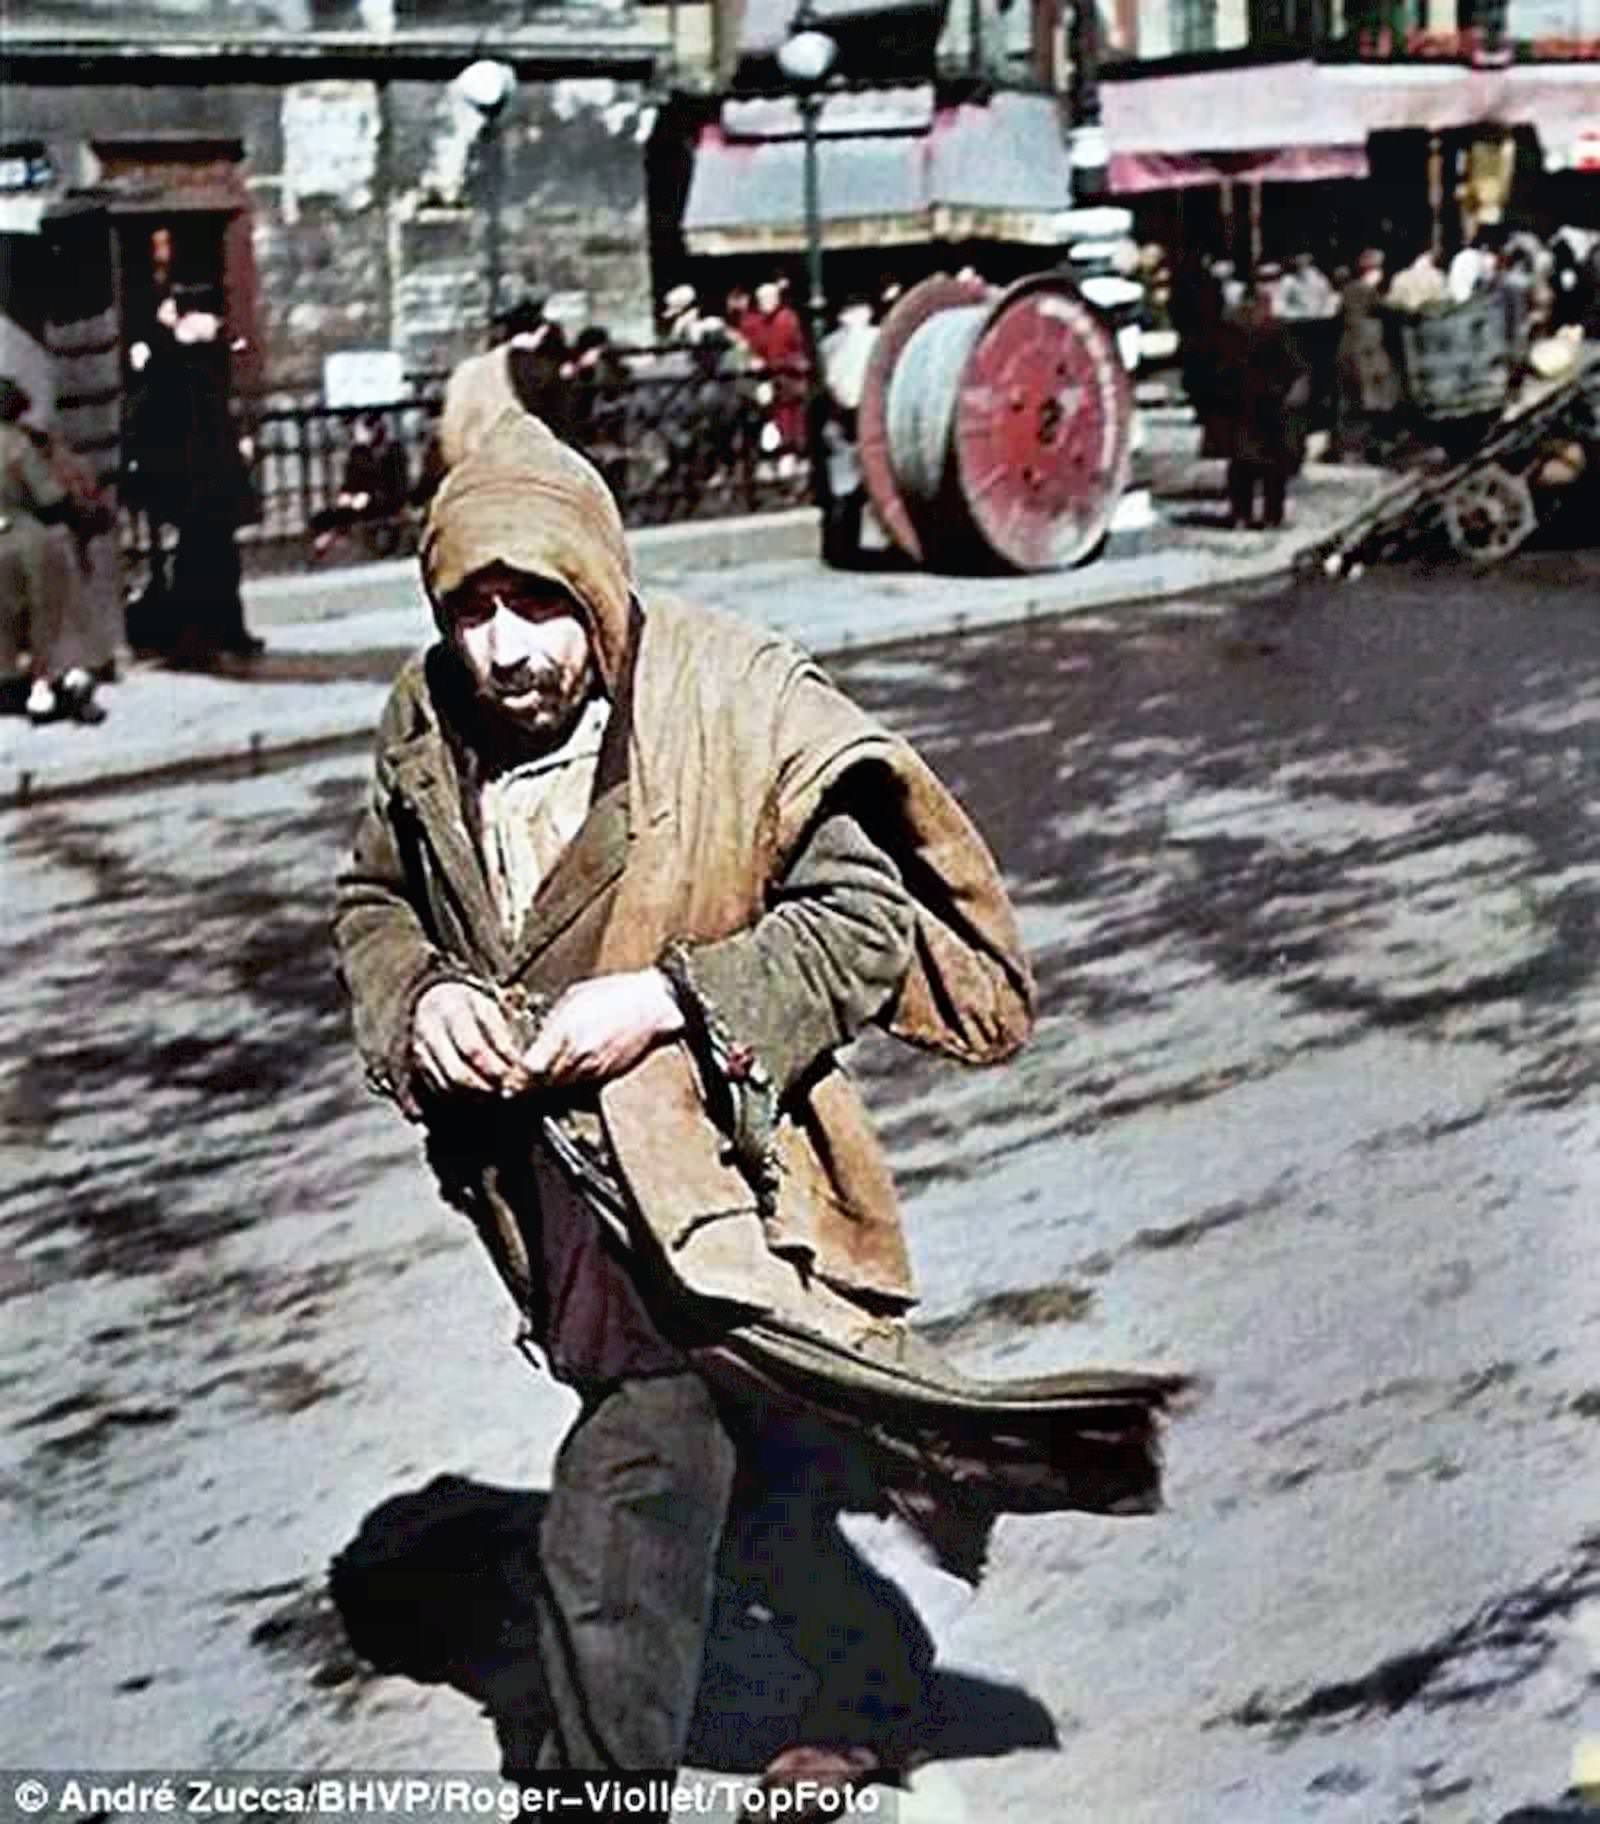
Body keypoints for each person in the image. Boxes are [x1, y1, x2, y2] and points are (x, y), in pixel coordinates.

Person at [331, 408, 1181, 1804]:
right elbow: (374, 899)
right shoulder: (429, 722)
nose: (506, 646)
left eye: (539, 603)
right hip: (558, 1200)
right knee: (772, 1451)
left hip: (725, 1187)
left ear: (598, 590)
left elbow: (864, 919)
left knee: (625, 1498)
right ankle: (861, 1704)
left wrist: (667, 996)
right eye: (472, 607)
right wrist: (420, 994)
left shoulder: (731, 700)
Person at [0, 378, 108, 724]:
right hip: (25, 542)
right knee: (49, 617)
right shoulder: (17, 445)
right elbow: (49, 496)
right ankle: (47, 687)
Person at [1215, 272, 1310, 530]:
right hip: (1270, 403)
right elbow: (1295, 366)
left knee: (1242, 464)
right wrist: (1293, 394)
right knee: (1271, 467)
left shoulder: (1230, 330)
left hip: (1242, 402)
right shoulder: (1274, 329)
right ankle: (1270, 516)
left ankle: (1241, 514)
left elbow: (1219, 368)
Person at [311, 414, 413, 560]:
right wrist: (347, 495)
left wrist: (369, 494)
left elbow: (397, 484)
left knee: (351, 512)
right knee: (334, 514)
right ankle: (326, 542)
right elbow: (351, 481)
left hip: (383, 500)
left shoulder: (393, 451)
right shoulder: (359, 453)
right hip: (361, 498)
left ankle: (330, 540)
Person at [1334, 248, 1401, 464]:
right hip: (1368, 351)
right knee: (1374, 400)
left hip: (1348, 348)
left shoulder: (1347, 290)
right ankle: (1372, 447)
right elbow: (1389, 310)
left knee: (1353, 400)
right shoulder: (1367, 291)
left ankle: (1352, 448)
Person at [738, 279, 811, 471]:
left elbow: (798, 349)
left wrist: (784, 363)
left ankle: (790, 453)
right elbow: (747, 348)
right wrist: (751, 360)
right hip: (762, 377)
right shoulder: (752, 322)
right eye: (762, 298)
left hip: (786, 375)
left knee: (789, 412)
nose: (766, 302)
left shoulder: (788, 319)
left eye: (770, 298)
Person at [1275, 250, 1338, 322]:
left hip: (1320, 322)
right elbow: (1279, 308)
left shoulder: (1320, 279)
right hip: (1296, 324)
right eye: (1298, 256)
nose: (1301, 259)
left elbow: (1330, 301)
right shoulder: (1287, 281)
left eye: (1304, 256)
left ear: (1310, 258)